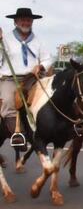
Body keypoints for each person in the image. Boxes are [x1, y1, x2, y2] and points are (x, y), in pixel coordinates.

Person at [0, 8, 53, 138]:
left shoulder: (38, 41)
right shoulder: (5, 39)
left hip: (33, 78)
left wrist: (40, 66)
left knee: (49, 98)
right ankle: (18, 134)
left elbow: (48, 58)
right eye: (22, 20)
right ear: (15, 22)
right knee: (7, 101)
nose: (26, 22)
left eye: (29, 20)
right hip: (10, 79)